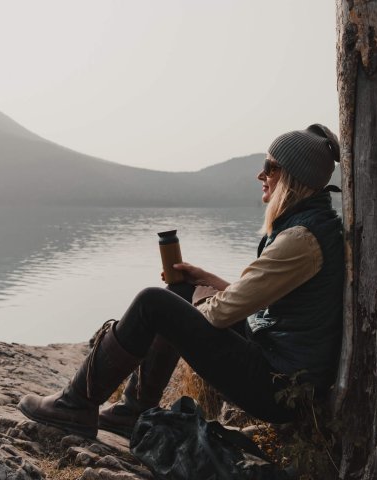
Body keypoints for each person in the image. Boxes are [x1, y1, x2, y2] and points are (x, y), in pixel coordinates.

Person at [18, 124, 344, 440]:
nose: (261, 175)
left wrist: (199, 301)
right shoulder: (308, 227)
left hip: (277, 388)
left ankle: (75, 404)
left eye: (269, 167)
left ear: (291, 178)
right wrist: (206, 282)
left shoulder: (301, 239)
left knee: (152, 303)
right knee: (179, 291)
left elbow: (219, 315)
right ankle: (134, 410)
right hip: (278, 367)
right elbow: (263, 303)